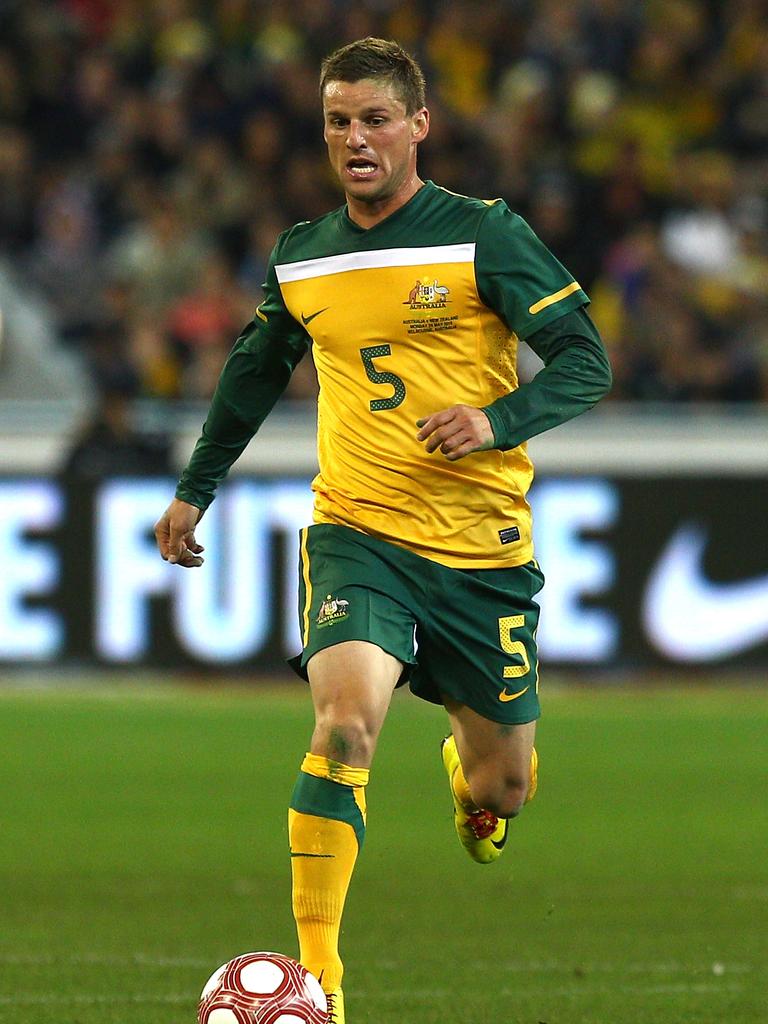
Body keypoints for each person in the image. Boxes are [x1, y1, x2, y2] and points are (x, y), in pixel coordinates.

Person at [154, 37, 612, 1024]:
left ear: (418, 127)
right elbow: (253, 371)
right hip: (359, 532)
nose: (353, 139)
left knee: (510, 785)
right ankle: (322, 979)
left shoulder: (485, 235)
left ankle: (469, 774)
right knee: (345, 720)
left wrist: (498, 419)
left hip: (483, 552)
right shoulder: (304, 253)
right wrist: (197, 486)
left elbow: (585, 361)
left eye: (372, 119)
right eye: (335, 121)